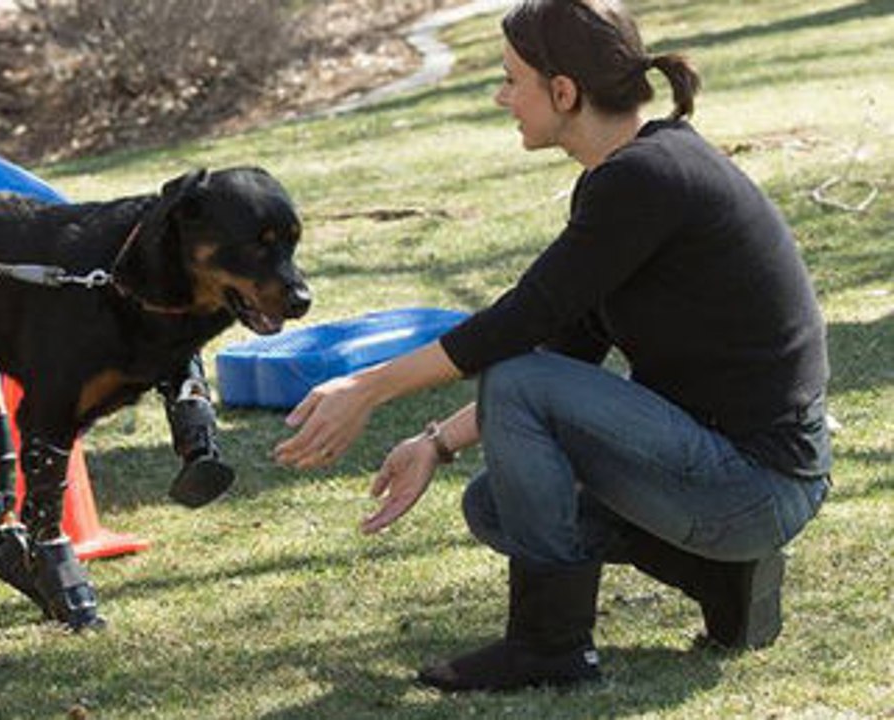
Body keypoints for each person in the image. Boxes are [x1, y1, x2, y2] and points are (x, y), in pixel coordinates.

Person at [273, 0, 832, 694]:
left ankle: (550, 646)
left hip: (752, 485)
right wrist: (436, 444)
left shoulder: (644, 180)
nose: (501, 97)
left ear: (563, 91)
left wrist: (365, 388)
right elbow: (569, 341)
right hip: (746, 483)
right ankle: (720, 575)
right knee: (496, 504)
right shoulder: (634, 175)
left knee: (515, 376)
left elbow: (520, 324)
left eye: (512, 80)